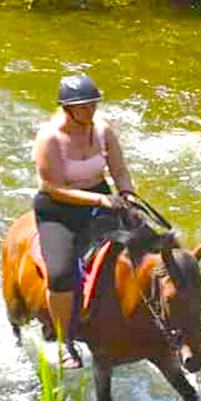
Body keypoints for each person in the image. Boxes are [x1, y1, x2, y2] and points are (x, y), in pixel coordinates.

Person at [32, 73, 135, 368]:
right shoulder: (49, 137)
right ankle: (65, 341)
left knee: (148, 245)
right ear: (67, 109)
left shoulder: (103, 131)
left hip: (101, 199)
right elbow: (53, 187)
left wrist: (126, 192)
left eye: (93, 105)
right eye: (84, 107)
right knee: (62, 273)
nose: (90, 111)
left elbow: (119, 170)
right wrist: (100, 200)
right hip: (58, 210)